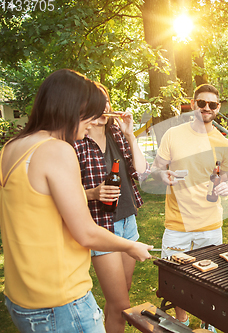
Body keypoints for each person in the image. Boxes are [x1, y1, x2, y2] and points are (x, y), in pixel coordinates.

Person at [0, 69, 152, 333]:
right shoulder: (58, 150)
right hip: (60, 301)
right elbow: (85, 233)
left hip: (22, 297)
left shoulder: (12, 147)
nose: (94, 122)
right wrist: (130, 246)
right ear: (73, 108)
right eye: (91, 114)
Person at [151, 83, 228, 331]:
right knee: (177, 280)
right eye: (202, 103)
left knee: (209, 280)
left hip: (210, 224)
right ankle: (183, 321)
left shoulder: (224, 143)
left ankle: (206, 324)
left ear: (218, 108)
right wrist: (161, 176)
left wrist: (227, 188)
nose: (206, 108)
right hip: (177, 224)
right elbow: (156, 168)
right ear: (193, 103)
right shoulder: (173, 134)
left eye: (212, 104)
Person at [73, 84, 150, 333]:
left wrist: (131, 135)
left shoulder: (116, 133)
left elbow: (141, 172)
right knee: (121, 304)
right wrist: (92, 193)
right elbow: (63, 193)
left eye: (107, 101)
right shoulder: (75, 143)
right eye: (99, 102)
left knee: (122, 292)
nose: (106, 107)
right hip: (101, 228)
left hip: (128, 220)